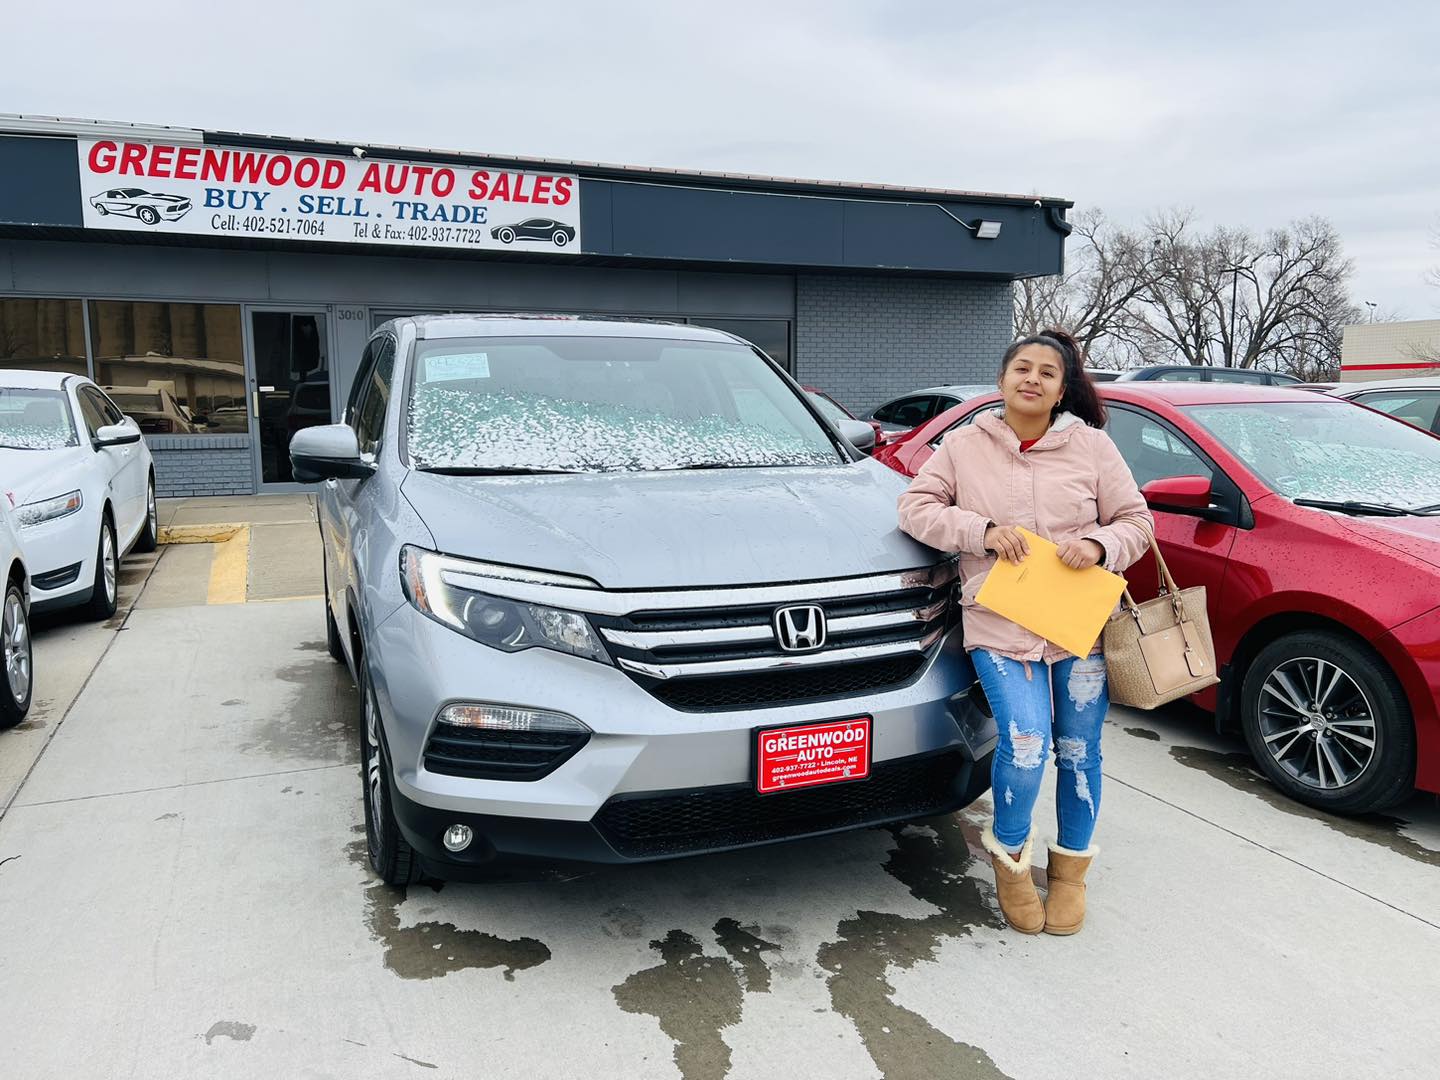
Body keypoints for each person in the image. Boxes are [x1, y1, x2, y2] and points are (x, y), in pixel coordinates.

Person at [897, 329, 1153, 935]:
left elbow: (1137, 521)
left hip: (1077, 628)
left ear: (1062, 390)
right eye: (1022, 368)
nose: (1032, 379)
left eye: (1046, 372)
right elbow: (915, 508)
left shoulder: (1091, 447)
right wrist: (981, 532)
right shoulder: (964, 445)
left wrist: (1099, 544)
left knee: (1079, 748)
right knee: (1026, 741)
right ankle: (1011, 865)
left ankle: (1070, 874)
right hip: (1001, 625)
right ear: (1002, 379)